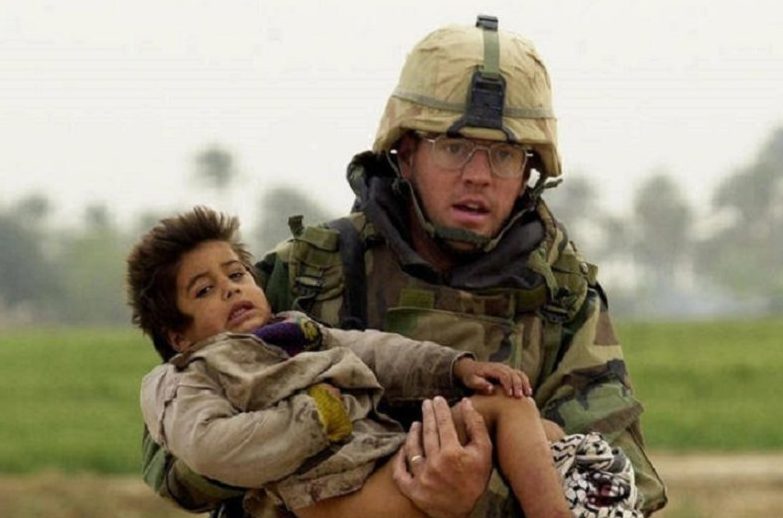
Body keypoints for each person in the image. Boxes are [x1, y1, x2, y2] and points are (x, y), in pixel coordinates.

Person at [142, 15, 668, 517]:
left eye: (504, 155)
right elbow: (170, 463)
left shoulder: (559, 297)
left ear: (530, 170)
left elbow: (622, 483)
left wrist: (475, 493)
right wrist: (311, 426)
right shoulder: (306, 274)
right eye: (454, 147)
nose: (478, 175)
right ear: (406, 152)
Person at [128, 207, 578, 518]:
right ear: (178, 335)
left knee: (540, 430)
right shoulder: (184, 375)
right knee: (508, 416)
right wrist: (320, 415)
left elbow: (378, 352)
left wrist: (455, 368)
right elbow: (210, 447)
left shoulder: (295, 331)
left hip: (380, 461)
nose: (230, 288)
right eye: (204, 290)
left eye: (236, 274)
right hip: (335, 496)